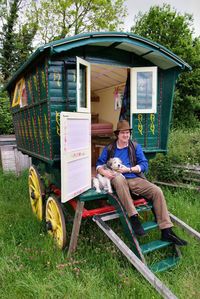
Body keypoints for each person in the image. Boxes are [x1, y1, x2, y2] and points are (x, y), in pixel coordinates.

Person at [96, 120, 188, 246]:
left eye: (127, 133)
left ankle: (167, 231)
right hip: (116, 178)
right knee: (118, 178)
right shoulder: (110, 148)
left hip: (133, 177)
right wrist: (104, 172)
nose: (126, 135)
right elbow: (98, 164)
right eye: (123, 133)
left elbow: (144, 164)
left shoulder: (134, 146)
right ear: (118, 134)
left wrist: (130, 169)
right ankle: (134, 218)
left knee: (157, 191)